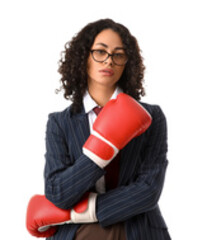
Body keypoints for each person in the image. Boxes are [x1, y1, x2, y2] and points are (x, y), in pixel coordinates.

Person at [26, 18, 171, 239]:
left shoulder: (152, 117)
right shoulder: (59, 122)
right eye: (100, 52)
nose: (109, 61)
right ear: (84, 57)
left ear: (127, 63)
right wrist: (99, 152)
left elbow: (149, 190)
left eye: (118, 54)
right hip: (78, 235)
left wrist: (80, 212)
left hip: (137, 230)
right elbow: (58, 193)